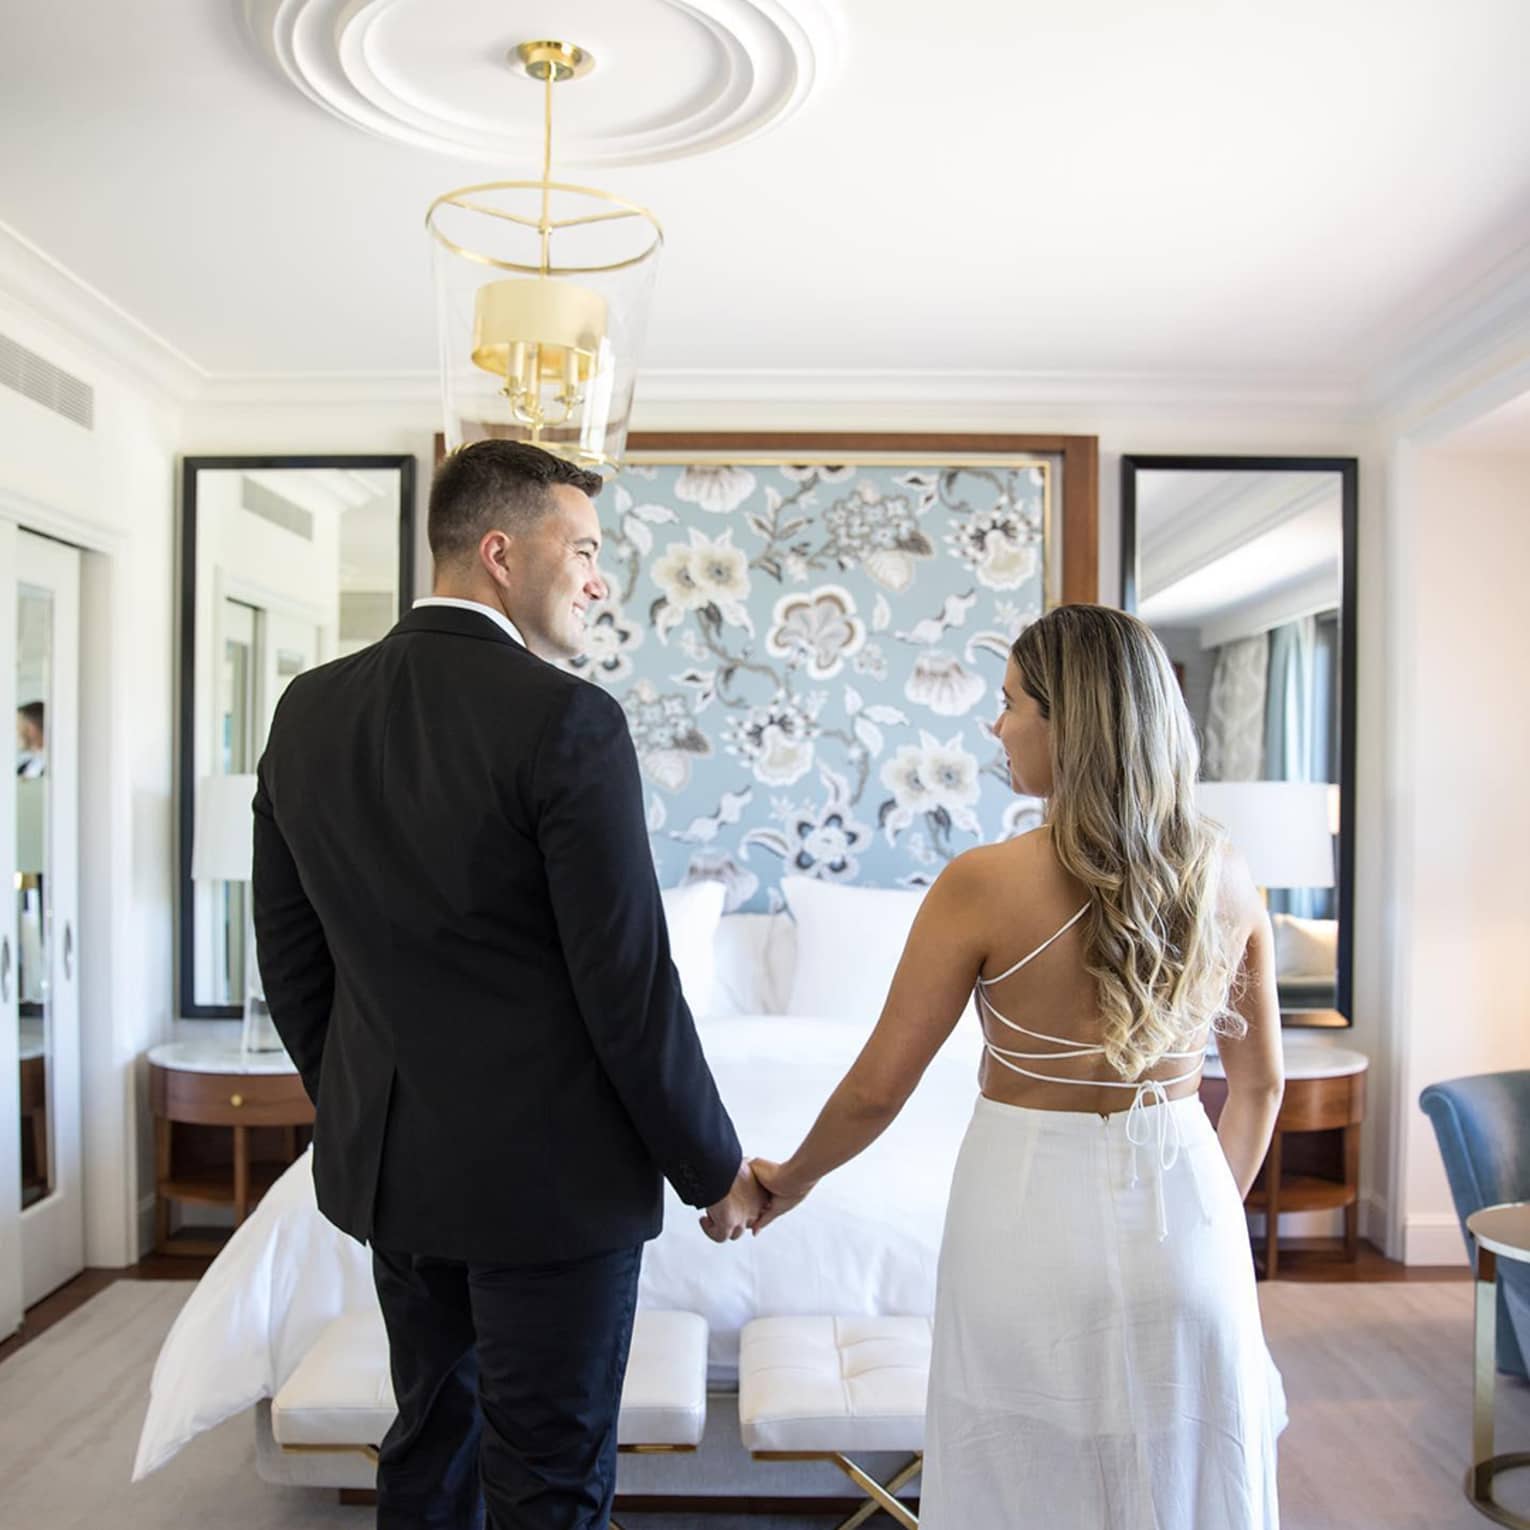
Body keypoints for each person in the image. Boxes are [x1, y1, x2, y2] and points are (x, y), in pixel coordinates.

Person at [252, 439, 764, 1530]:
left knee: (431, 1438)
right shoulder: (567, 721)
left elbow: (291, 957)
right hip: (552, 1190)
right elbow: (628, 983)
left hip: (393, 1173)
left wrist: (362, 1096)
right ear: (498, 553)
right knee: (549, 1478)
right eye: (580, 549)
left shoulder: (308, 712)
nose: (596, 578)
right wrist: (711, 1166)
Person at [751, 604, 1286, 1528]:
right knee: (1187, 1470)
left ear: (1068, 722)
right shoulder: (1225, 875)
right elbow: (1261, 1084)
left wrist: (784, 1182)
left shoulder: (983, 884)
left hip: (1027, 1224)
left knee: (1022, 1479)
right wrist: (1203, 1219)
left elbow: (880, 1088)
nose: (995, 727)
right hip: (1192, 1228)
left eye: (1009, 705)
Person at [15, 700, 44, 777]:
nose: (17, 732)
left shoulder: (58, 766)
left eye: (19, 726)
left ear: (32, 729)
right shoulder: (23, 767)